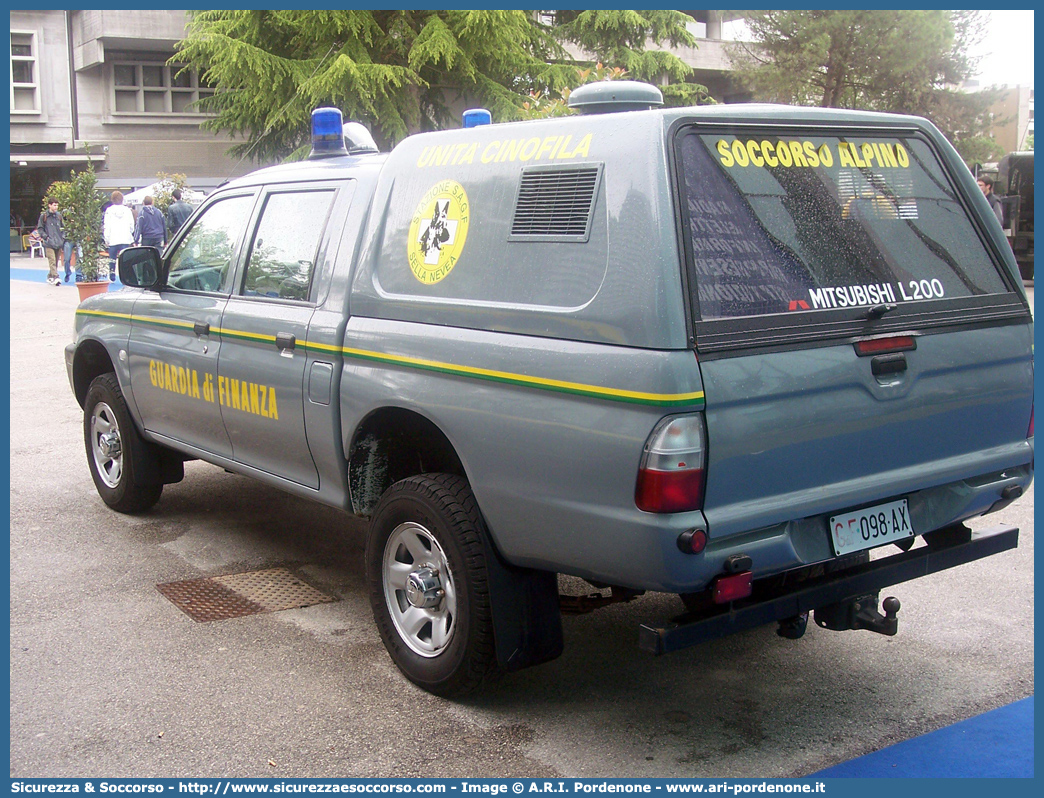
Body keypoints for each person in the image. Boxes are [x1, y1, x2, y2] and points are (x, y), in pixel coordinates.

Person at [103, 190, 136, 282]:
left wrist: (107, 238)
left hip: (113, 238)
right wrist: (130, 233)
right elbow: (131, 225)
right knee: (125, 259)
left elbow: (107, 225)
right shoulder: (127, 210)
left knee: (112, 258)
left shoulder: (109, 211)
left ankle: (112, 274)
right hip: (125, 238)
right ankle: (126, 276)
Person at [35, 198, 66, 286]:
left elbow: (63, 228)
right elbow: (40, 228)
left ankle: (50, 276)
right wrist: (46, 237)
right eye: (54, 205)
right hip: (49, 242)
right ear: (49, 205)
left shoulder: (59, 216)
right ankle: (56, 276)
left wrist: (62, 238)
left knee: (55, 261)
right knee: (52, 260)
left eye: (57, 205)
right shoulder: (44, 216)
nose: (56, 207)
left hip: (58, 242)